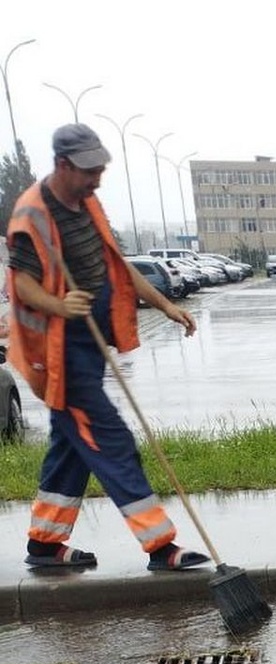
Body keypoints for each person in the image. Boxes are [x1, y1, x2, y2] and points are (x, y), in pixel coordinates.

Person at [5, 123, 209, 572]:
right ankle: (161, 546)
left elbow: (115, 266)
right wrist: (59, 304)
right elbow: (21, 284)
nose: (97, 179)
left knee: (72, 448)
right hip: (61, 352)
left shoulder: (87, 204)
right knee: (111, 439)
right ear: (62, 165)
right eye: (89, 171)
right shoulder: (31, 215)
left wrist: (165, 304)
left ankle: (44, 544)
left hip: (92, 343)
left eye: (100, 169)